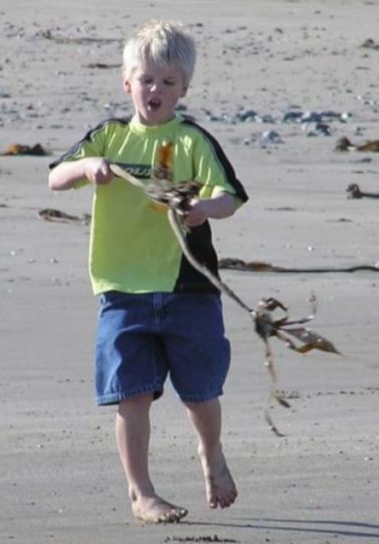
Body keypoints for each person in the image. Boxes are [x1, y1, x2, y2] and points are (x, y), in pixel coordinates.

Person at [47, 20, 249, 524]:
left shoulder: (192, 141)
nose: (155, 89)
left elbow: (230, 196)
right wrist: (87, 167)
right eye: (146, 80)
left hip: (189, 287)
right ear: (127, 83)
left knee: (201, 392)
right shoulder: (109, 137)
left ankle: (211, 453)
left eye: (168, 81)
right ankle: (141, 493)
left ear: (184, 89)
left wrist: (203, 208)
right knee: (131, 394)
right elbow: (55, 178)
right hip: (122, 288)